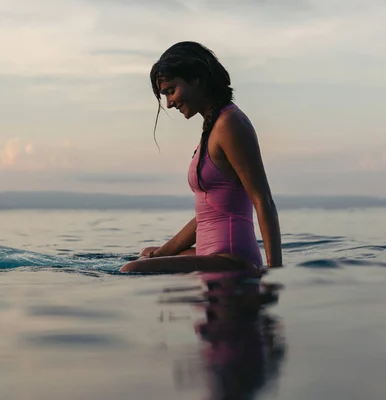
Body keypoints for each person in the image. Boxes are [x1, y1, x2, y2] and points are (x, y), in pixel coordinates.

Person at [120, 41, 282, 275]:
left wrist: (275, 274)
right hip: (210, 253)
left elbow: (263, 200)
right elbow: (207, 215)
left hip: (233, 258)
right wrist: (162, 253)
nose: (169, 103)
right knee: (147, 253)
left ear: (197, 79)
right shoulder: (212, 127)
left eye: (171, 90)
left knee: (131, 269)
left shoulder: (230, 124)